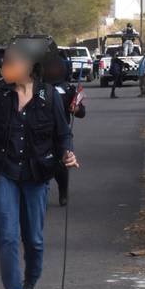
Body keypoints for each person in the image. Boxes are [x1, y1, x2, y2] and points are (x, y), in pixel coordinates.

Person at [0, 40, 79, 289]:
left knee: (34, 239)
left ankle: (31, 280)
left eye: (10, 63)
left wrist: (67, 153)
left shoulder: (48, 95)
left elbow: (63, 134)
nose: (3, 67)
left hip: (36, 175)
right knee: (7, 237)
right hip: (3, 173)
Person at [43, 56, 86, 207]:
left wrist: (76, 108)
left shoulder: (68, 89)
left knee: (61, 164)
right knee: (42, 163)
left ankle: (63, 190)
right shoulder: (38, 88)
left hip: (61, 132)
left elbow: (81, 112)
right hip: (41, 132)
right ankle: (42, 195)